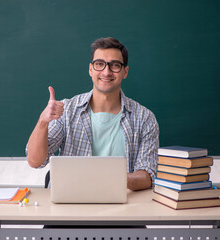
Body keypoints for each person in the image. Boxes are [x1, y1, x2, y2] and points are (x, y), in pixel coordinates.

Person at [26, 37, 159, 191]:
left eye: (115, 65)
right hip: (70, 201)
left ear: (125, 72)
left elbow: (148, 176)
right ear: (90, 69)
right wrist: (43, 122)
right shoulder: (66, 110)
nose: (106, 72)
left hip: (121, 205)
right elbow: (35, 161)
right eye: (99, 64)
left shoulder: (145, 118)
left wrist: (107, 179)